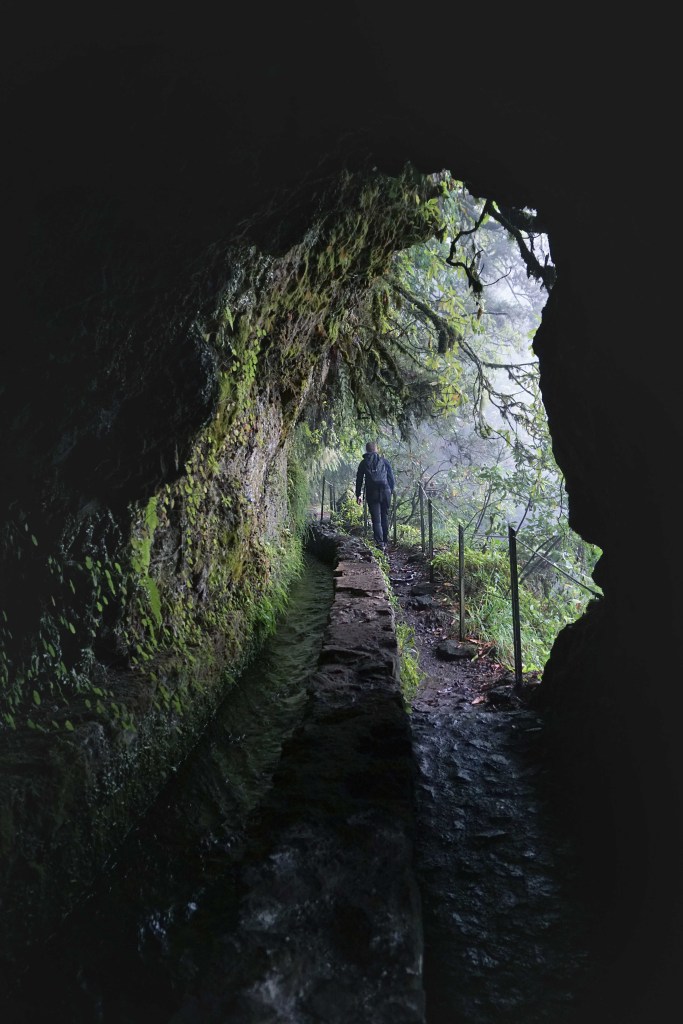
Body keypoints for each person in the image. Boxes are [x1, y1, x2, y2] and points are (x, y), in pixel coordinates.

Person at [355, 441, 395, 553]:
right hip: (385, 491)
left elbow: (359, 480)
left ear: (367, 450)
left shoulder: (363, 463)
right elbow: (391, 478)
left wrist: (358, 495)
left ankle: (380, 544)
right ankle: (386, 541)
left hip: (372, 493)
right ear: (376, 449)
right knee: (384, 516)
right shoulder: (384, 461)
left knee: (376, 520)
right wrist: (390, 491)